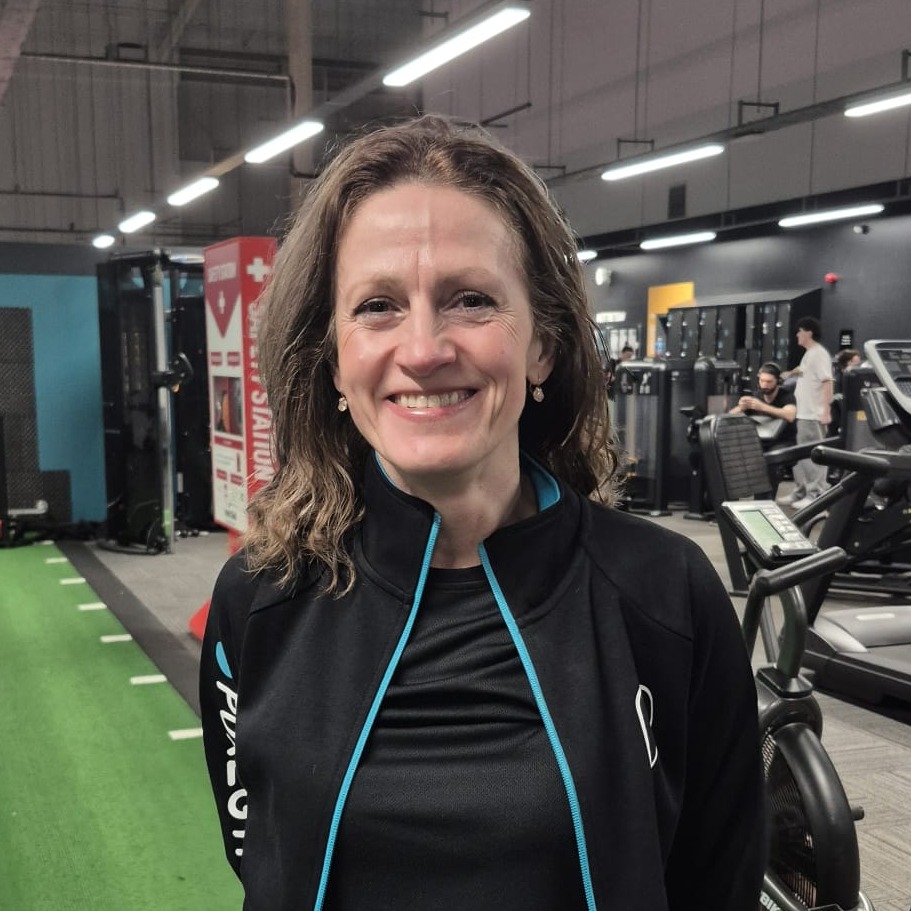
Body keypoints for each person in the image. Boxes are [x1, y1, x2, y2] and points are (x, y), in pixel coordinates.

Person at [199, 115, 765, 911]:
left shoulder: (665, 593)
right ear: (332, 360)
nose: (423, 349)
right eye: (377, 306)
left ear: (542, 345)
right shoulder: (260, 598)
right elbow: (260, 855)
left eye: (470, 300)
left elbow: (718, 877)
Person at [777, 316, 833, 509]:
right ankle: (801, 491)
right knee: (800, 457)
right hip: (802, 414)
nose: (797, 335)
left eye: (799, 331)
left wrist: (825, 410)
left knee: (812, 456)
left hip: (812, 415)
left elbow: (827, 381)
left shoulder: (819, 354)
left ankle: (815, 494)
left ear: (808, 332)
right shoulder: (810, 354)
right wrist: (790, 373)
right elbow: (804, 370)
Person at [729, 361, 797, 447]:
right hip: (760, 441)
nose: (764, 385)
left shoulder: (786, 396)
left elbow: (790, 416)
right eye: (762, 381)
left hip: (782, 442)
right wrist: (741, 407)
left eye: (769, 382)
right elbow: (729, 415)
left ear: (778, 381)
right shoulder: (755, 396)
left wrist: (761, 407)